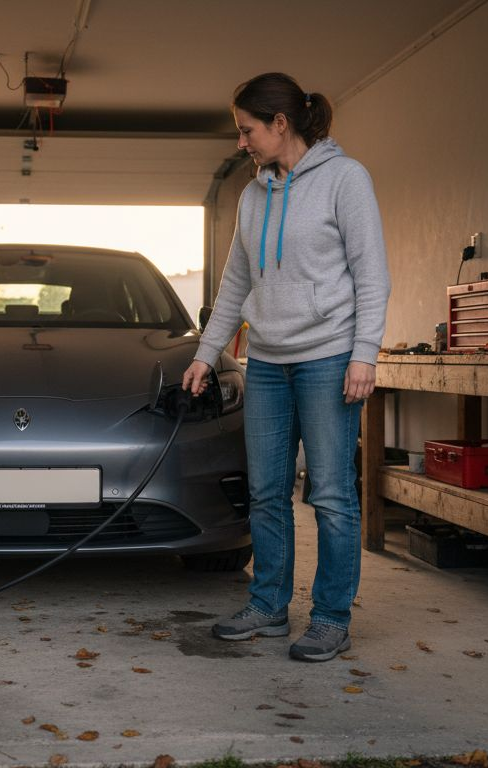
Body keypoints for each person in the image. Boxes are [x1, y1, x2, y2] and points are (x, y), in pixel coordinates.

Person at [182, 72, 390, 662]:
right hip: (267, 364)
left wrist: (364, 355)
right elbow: (234, 287)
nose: (241, 142)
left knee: (329, 495)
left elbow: (372, 274)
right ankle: (268, 607)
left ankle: (330, 618)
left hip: (328, 359)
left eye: (247, 130)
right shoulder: (252, 196)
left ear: (281, 123)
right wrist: (205, 355)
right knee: (267, 491)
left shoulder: (345, 181)